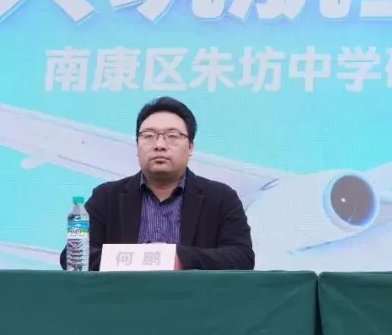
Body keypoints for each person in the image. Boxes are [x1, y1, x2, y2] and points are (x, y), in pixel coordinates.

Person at [60, 97, 255, 271]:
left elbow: (242, 257)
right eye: (149, 136)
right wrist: (139, 260)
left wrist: (179, 258)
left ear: (190, 147)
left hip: (193, 299)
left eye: (172, 136)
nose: (160, 145)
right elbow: (72, 257)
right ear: (136, 145)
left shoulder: (220, 198)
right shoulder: (107, 197)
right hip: (124, 298)